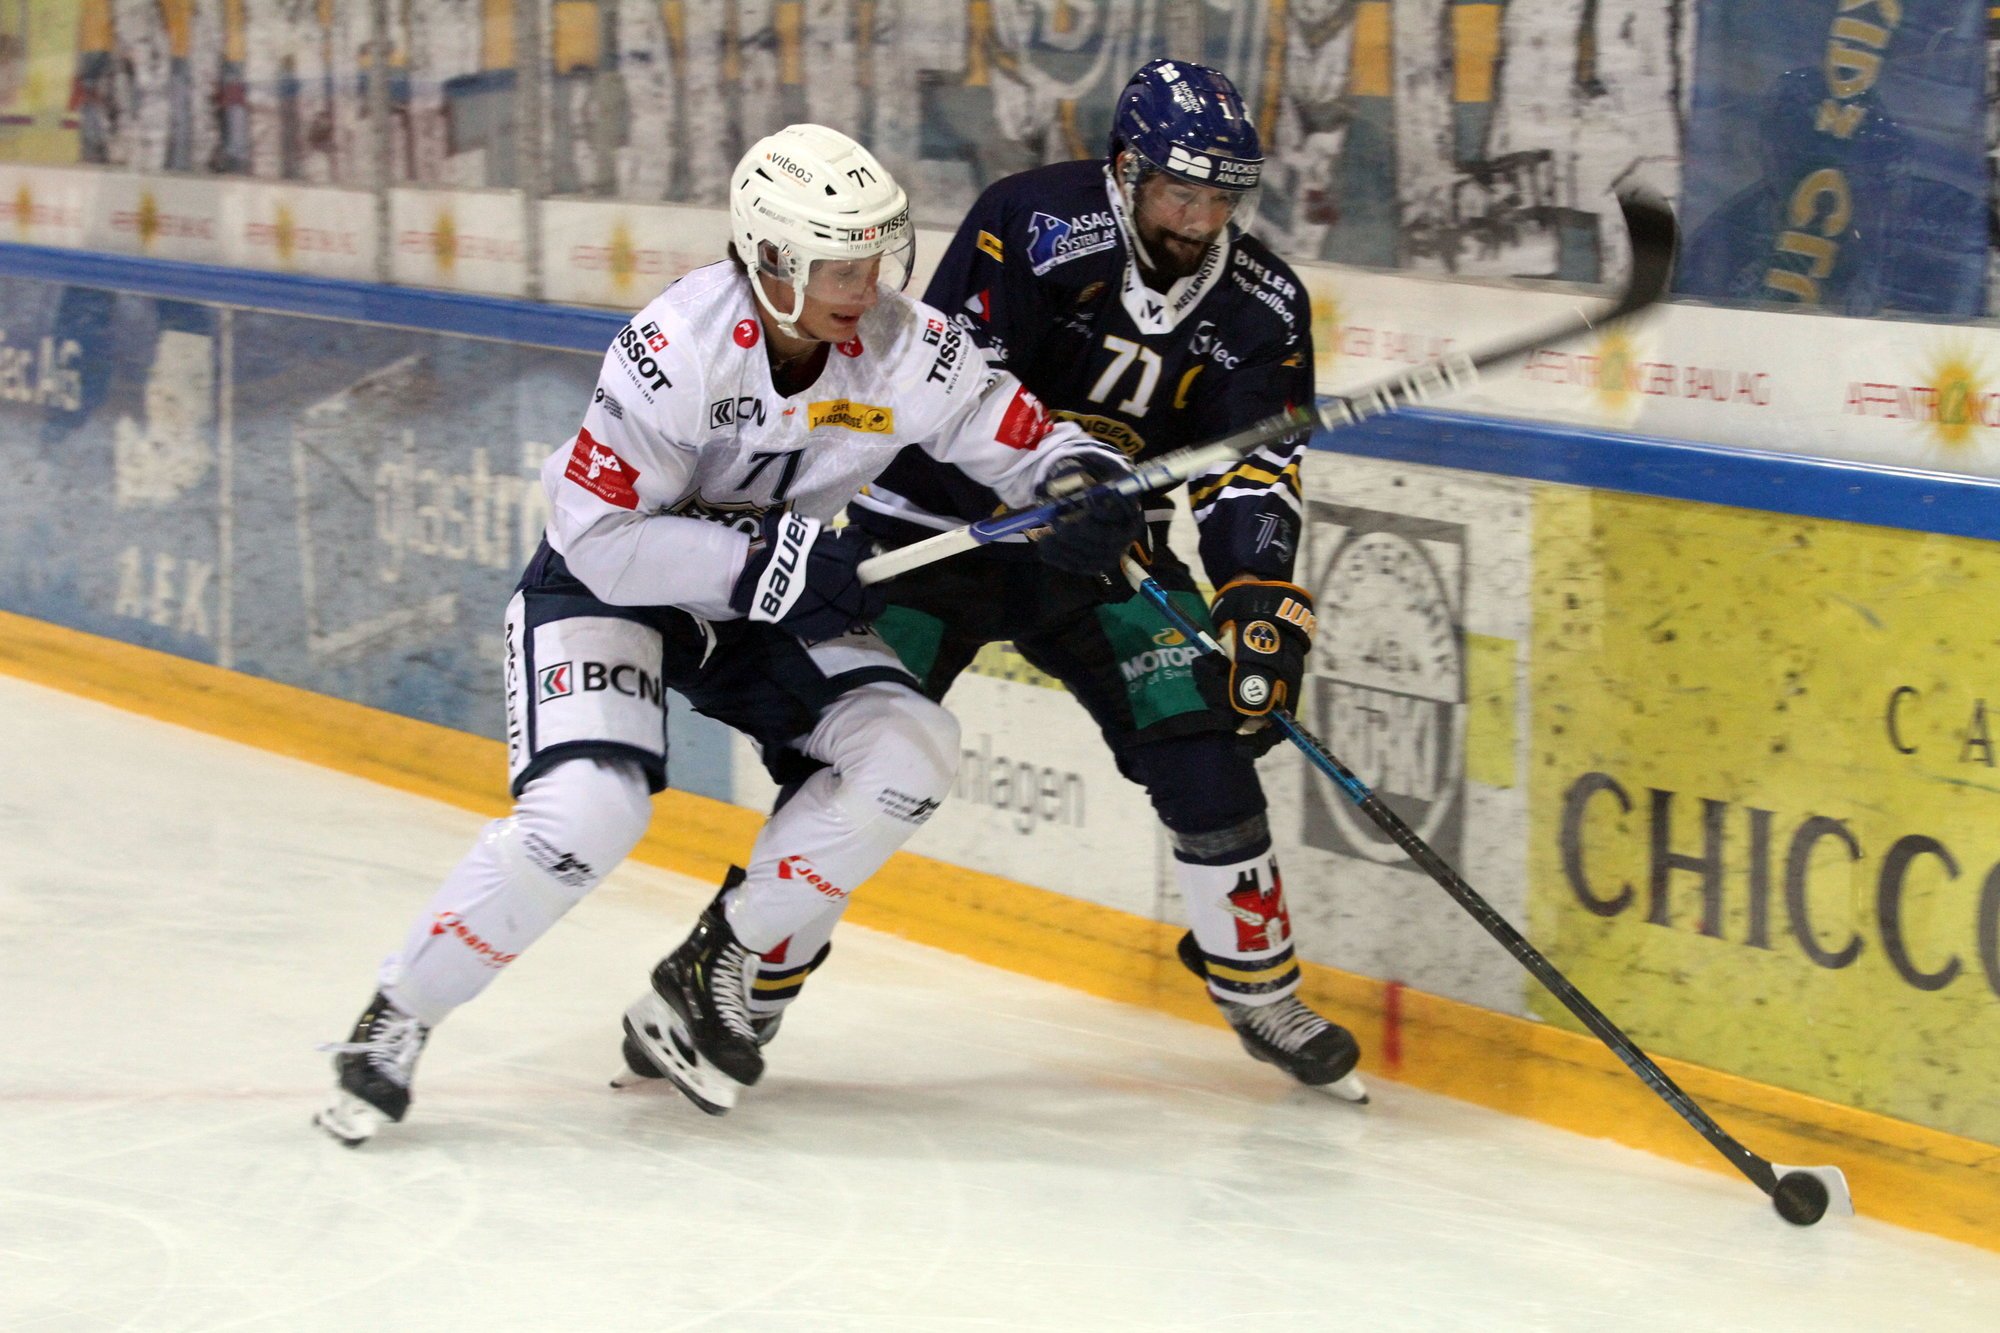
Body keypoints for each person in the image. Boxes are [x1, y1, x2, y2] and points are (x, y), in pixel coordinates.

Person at [315, 124, 1143, 1141]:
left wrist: (1075, 482)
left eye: (875, 255)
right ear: (767, 258)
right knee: (585, 817)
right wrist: (765, 563)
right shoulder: (672, 351)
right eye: (837, 263)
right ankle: (398, 1015)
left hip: (762, 603)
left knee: (910, 751)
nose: (866, 283)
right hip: (613, 592)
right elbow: (601, 538)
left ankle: (717, 964)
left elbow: (1012, 433)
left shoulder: (902, 345)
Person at [846, 59, 1366, 1100]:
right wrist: (1054, 491)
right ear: (1125, 169)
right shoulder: (1028, 224)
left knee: (1202, 734)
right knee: (846, 771)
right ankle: (733, 969)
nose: (1201, 215)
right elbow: (955, 396)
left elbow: (1249, 469)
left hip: (1100, 555)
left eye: (1222, 195)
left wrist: (1257, 598)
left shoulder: (1262, 302)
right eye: (1181, 190)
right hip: (939, 534)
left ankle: (1251, 979)